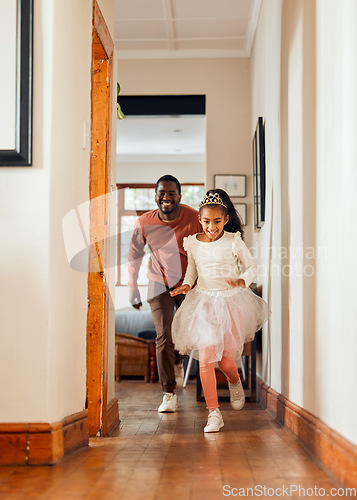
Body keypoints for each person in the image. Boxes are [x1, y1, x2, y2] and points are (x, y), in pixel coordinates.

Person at [170, 189, 270, 432]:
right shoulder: (192, 242)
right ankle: (214, 413)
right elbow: (191, 272)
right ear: (200, 220)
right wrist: (186, 284)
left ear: (225, 220)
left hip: (232, 302)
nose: (211, 227)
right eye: (206, 221)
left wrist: (242, 281)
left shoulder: (233, 240)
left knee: (226, 362)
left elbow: (252, 267)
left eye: (216, 221)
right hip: (203, 302)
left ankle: (234, 381)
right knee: (205, 360)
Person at [128, 175, 202, 413]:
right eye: (162, 193)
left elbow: (207, 249)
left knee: (189, 334)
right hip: (158, 282)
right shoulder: (145, 222)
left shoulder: (194, 218)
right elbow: (134, 254)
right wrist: (132, 287)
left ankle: (177, 359)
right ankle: (168, 393)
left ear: (179, 196)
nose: (166, 198)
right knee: (164, 336)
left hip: (189, 281)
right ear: (156, 195)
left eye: (172, 193)